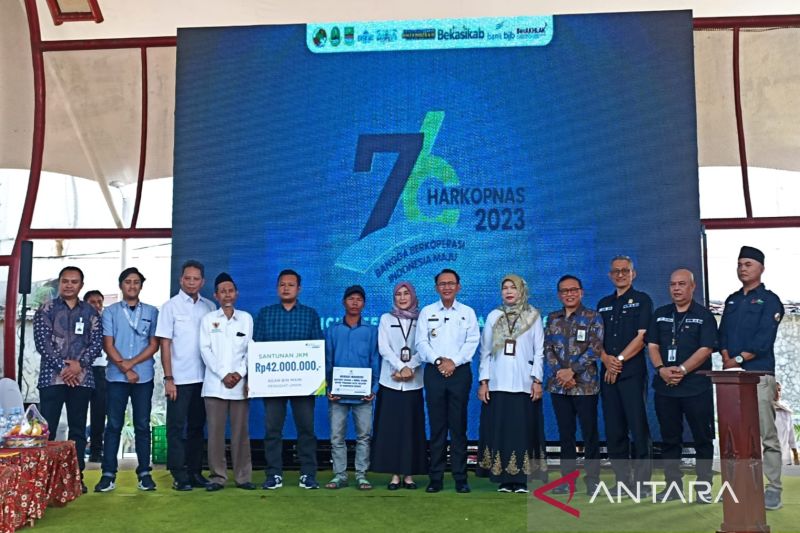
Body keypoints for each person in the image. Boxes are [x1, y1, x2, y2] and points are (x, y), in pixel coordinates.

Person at [719, 246, 785, 510]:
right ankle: (738, 486)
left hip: (759, 375)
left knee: (766, 433)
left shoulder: (770, 300)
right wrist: (727, 359)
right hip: (731, 378)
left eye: (748, 264)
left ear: (761, 268)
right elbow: (722, 334)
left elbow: (764, 339)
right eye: (739, 264)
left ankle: (773, 488)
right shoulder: (732, 300)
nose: (742, 268)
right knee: (735, 435)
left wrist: (737, 359)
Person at [647, 269, 717, 504]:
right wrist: (661, 369)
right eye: (673, 284)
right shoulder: (660, 314)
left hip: (696, 387)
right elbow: (652, 345)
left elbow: (706, 348)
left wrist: (682, 370)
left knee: (702, 439)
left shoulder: (704, 316)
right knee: (670, 440)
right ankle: (673, 486)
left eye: (682, 284)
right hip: (665, 387)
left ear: (692, 287)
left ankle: (704, 487)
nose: (676, 288)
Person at [33, 266, 103, 493]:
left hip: (82, 380)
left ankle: (76, 479)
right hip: (52, 379)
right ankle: (44, 482)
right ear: (59, 283)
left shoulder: (91, 312)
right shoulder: (46, 309)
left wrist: (78, 366)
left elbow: (97, 343)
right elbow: (42, 343)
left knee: (78, 431)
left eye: (74, 281)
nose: (69, 285)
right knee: (48, 431)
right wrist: (63, 369)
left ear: (81, 285)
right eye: (65, 281)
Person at [253, 269, 323, 490]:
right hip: (272, 383)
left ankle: (308, 474)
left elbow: (317, 348)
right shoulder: (265, 314)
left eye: (291, 285)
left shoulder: (310, 314)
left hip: (304, 384)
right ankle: (273, 474)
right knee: (272, 430)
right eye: (282, 284)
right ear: (277, 288)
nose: (286, 288)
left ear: (298, 289)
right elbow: (256, 347)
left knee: (306, 430)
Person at [476, 274, 544, 494]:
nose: (508, 291)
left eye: (512, 287)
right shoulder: (494, 316)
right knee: (502, 431)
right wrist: (484, 382)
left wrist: (537, 380)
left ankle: (522, 480)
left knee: (522, 431)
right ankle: (504, 479)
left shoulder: (533, 316)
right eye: (505, 288)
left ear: (521, 290)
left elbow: (539, 351)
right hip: (498, 384)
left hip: (525, 384)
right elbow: (485, 351)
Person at [94, 267, 159, 493]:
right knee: (113, 425)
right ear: (121, 285)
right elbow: (107, 344)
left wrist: (131, 364)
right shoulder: (110, 312)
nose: (132, 286)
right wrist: (125, 367)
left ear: (141, 286)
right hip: (116, 377)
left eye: (136, 282)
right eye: (128, 282)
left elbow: (154, 344)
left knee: (142, 425)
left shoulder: (152, 311)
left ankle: (144, 474)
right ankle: (108, 474)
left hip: (143, 376)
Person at [416, 268, 480, 494]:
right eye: (442, 284)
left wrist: (454, 362)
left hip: (460, 373)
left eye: (451, 283)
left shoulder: (468, 312)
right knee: (437, 427)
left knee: (458, 426)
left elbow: (473, 341)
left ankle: (460, 478)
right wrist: (438, 361)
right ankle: (436, 478)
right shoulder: (427, 312)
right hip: (434, 372)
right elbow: (421, 343)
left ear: (458, 287)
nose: (447, 287)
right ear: (436, 288)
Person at [155, 259, 216, 491]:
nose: (191, 282)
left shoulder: (209, 307)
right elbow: (165, 344)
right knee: (176, 428)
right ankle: (179, 475)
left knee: (197, 428)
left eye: (196, 279)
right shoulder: (170, 307)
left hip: (205, 379)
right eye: (187, 278)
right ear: (181, 280)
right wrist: (168, 378)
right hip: (179, 380)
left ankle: (195, 472)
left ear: (203, 281)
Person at [596, 255, 653, 492]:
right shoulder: (603, 304)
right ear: (610, 275)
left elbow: (642, 337)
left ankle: (642, 482)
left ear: (633, 274)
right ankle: (621, 481)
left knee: (638, 428)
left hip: (631, 373)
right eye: (616, 271)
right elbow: (595, 339)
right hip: (608, 374)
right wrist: (606, 360)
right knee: (614, 429)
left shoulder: (642, 300)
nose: (620, 274)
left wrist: (618, 361)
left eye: (625, 270)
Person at [544, 274, 603, 495]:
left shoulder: (593, 317)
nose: (569, 294)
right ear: (559, 295)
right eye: (564, 291)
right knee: (565, 434)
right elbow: (547, 348)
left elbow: (595, 349)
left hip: (585, 386)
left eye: (573, 290)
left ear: (581, 292)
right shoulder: (553, 318)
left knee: (590, 434)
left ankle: (593, 479)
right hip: (559, 385)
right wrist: (561, 373)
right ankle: (567, 480)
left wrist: (572, 371)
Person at [200, 273, 255, 491]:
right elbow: (205, 350)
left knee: (241, 433)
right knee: (215, 434)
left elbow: (250, 350)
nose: (227, 295)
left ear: (236, 293)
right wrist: (223, 374)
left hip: (240, 385)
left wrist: (239, 373)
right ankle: (217, 477)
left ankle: (243, 477)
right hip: (215, 385)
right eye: (222, 291)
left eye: (230, 290)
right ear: (216, 295)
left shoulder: (246, 318)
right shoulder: (208, 319)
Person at [371, 282, 427, 490]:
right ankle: (394, 475)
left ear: (413, 296)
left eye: (406, 294)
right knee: (392, 430)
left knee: (411, 429)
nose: (402, 298)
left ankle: (409, 475)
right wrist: (400, 367)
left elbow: (425, 346)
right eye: (398, 294)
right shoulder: (386, 319)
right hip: (390, 382)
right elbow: (383, 347)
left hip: (414, 383)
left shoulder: (422, 318)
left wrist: (410, 367)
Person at [324, 285, 380, 490]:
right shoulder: (333, 330)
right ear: (343, 302)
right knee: (336, 436)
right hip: (337, 395)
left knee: (363, 436)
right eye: (351, 298)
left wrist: (374, 388)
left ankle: (361, 475)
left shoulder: (371, 331)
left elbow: (375, 360)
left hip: (363, 395)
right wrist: (327, 387)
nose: (355, 302)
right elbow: (327, 361)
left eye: (359, 299)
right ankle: (339, 475)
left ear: (363, 304)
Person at [83, 290, 107, 463]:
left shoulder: (107, 322)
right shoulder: (79, 320)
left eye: (100, 302)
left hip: (102, 370)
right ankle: (77, 449)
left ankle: (96, 450)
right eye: (93, 302)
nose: (97, 305)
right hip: (83, 369)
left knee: (99, 412)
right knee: (79, 412)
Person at [774, 383, 799, 466]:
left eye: (779, 390)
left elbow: (791, 435)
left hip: (785, 458)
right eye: (774, 390)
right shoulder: (763, 410)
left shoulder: (785, 410)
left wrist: (795, 455)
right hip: (769, 458)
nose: (777, 393)